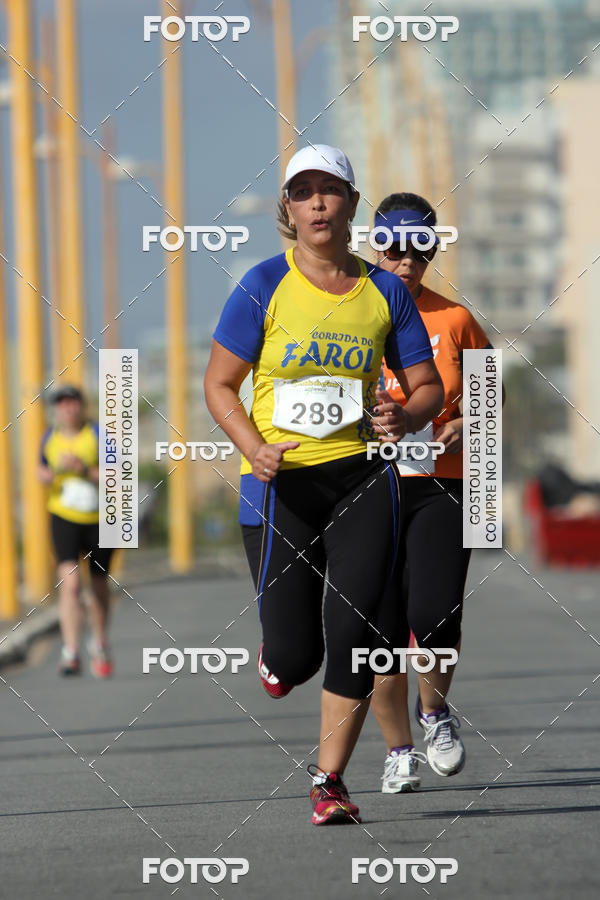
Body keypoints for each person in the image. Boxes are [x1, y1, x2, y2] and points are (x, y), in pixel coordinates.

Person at [204, 146, 443, 825]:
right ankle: (277, 655)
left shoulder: (386, 292)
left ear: (351, 204)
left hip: (362, 480)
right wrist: (253, 448)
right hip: (282, 488)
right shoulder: (261, 286)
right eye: (301, 192)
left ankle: (328, 780)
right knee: (293, 655)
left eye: (329, 191)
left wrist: (408, 412)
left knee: (357, 631)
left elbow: (426, 386)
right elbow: (218, 384)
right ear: (287, 208)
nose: (315, 203)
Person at [367, 192, 503, 793]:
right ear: (375, 245)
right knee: (379, 629)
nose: (406, 261)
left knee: (435, 614)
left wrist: (463, 424)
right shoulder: (348, 313)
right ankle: (399, 751)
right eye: (394, 247)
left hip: (446, 483)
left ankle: (435, 715)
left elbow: (489, 400)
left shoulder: (457, 320)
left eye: (420, 248)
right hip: (368, 487)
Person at [38, 385, 114, 678]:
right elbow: (40, 471)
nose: (67, 409)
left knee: (97, 586)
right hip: (63, 516)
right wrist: (53, 473)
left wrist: (83, 469)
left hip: (99, 519)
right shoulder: (49, 437)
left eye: (72, 403)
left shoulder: (97, 435)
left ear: (81, 406)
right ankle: (70, 651)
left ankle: (99, 641)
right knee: (69, 584)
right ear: (56, 409)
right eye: (62, 404)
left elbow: (115, 474)